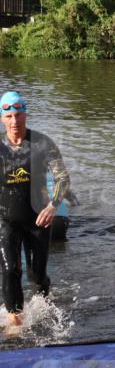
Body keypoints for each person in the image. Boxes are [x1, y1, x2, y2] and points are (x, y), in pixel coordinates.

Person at [0, 91, 70, 327]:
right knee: (10, 270)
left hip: (38, 219)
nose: (14, 121)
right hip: (6, 220)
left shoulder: (42, 143)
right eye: (9, 116)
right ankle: (14, 317)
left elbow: (63, 179)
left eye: (18, 115)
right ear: (2, 118)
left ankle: (44, 299)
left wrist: (53, 206)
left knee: (36, 274)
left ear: (26, 115)